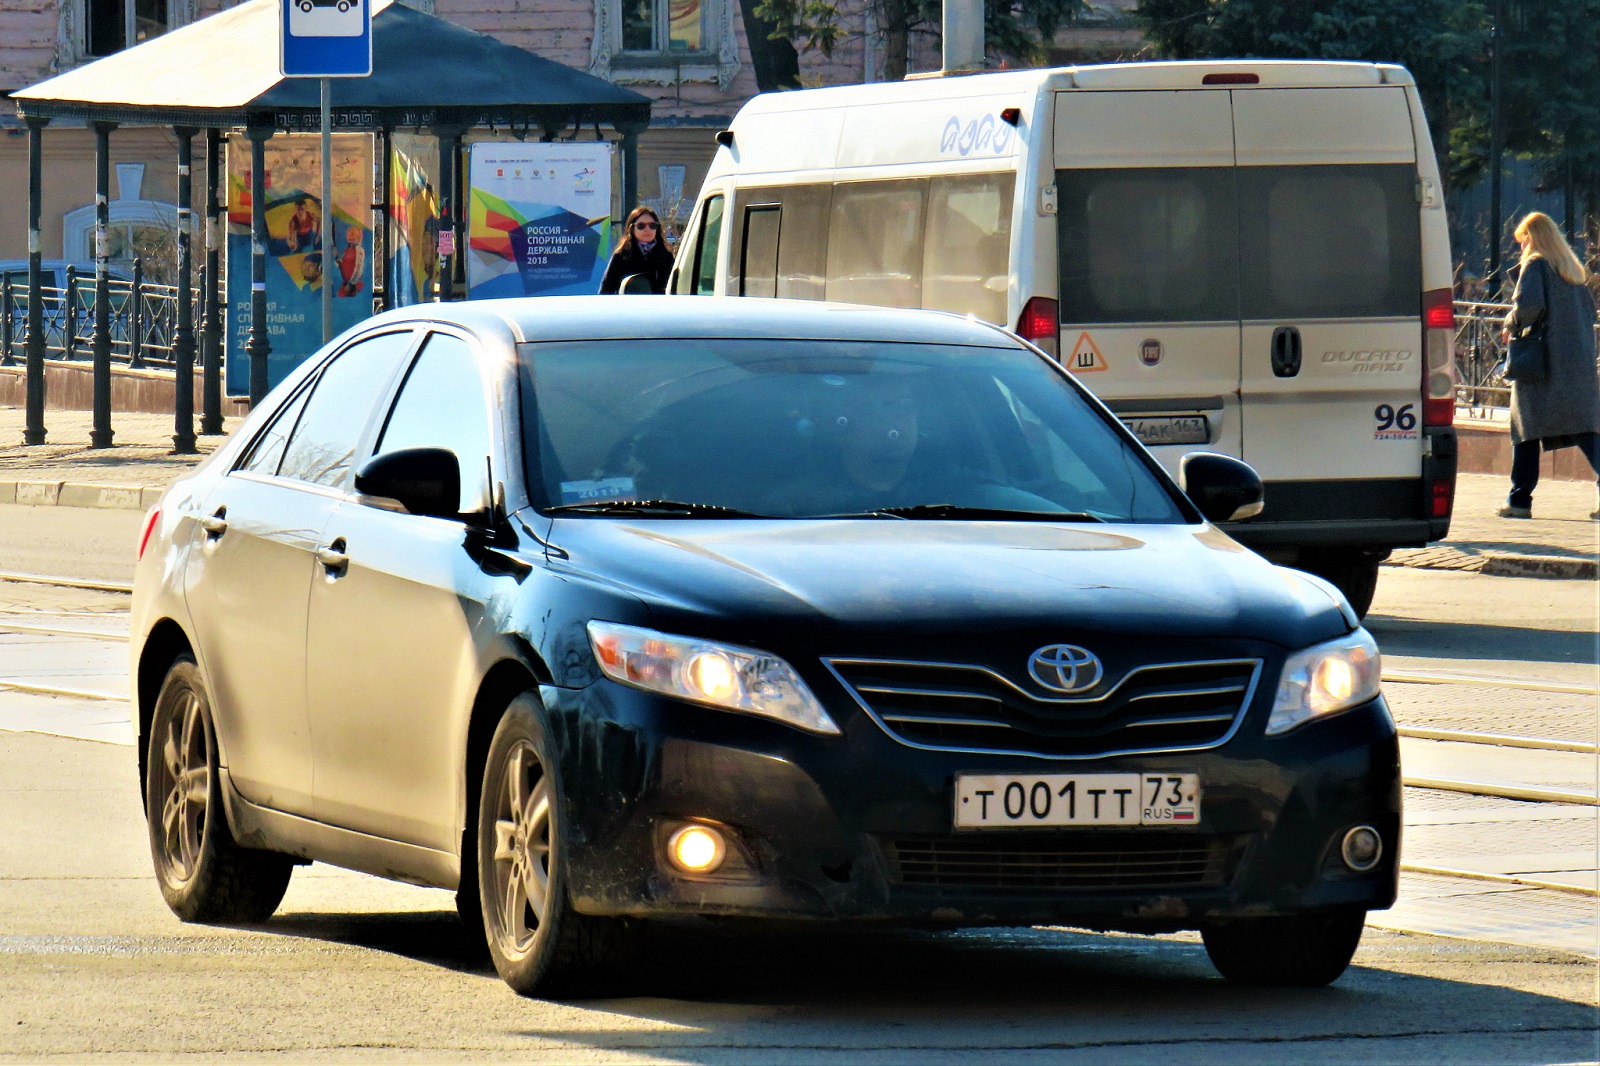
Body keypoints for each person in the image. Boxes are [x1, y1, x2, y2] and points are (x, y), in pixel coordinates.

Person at [1496, 212, 1600, 520]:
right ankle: (1518, 499)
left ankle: (1519, 500)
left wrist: (1510, 323)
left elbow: (1529, 307)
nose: (1522, 248)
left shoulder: (1535, 265)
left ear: (1533, 238)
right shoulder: (1571, 269)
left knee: (1526, 431)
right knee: (1586, 432)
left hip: (1541, 367)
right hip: (1576, 366)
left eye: (1523, 240)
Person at [599, 207, 674, 294]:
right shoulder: (621, 256)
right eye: (641, 226)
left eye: (652, 225)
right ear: (632, 229)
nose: (647, 229)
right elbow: (606, 291)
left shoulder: (666, 257)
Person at [335, 226, 366, 298]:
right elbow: (342, 267)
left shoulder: (359, 250)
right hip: (346, 283)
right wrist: (336, 258)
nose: (350, 236)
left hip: (353, 284)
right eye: (349, 233)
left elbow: (359, 267)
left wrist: (352, 283)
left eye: (353, 234)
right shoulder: (346, 251)